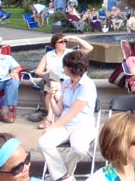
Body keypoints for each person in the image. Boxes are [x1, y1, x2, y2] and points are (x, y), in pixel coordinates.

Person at [38, 51, 97, 181]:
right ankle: (64, 176)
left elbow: (72, 113)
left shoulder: (88, 86)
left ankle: (64, 174)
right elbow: (59, 112)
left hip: (82, 127)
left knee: (79, 149)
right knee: (43, 142)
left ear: (71, 68)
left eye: (64, 66)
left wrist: (52, 127)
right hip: (65, 126)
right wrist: (51, 97)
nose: (62, 68)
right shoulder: (66, 82)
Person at [34, 34, 93, 129]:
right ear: (54, 44)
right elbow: (38, 71)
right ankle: (52, 117)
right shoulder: (48, 55)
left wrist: (76, 38)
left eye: (65, 41)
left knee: (52, 90)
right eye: (61, 42)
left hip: (65, 81)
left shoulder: (71, 54)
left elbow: (89, 48)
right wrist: (46, 72)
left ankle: (49, 119)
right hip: (49, 78)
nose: (64, 43)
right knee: (51, 77)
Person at [0, 36, 21, 123]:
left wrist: (14, 71)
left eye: (0, 47)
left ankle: (4, 112)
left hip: (2, 83)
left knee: (14, 80)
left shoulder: (7, 58)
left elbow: (18, 67)